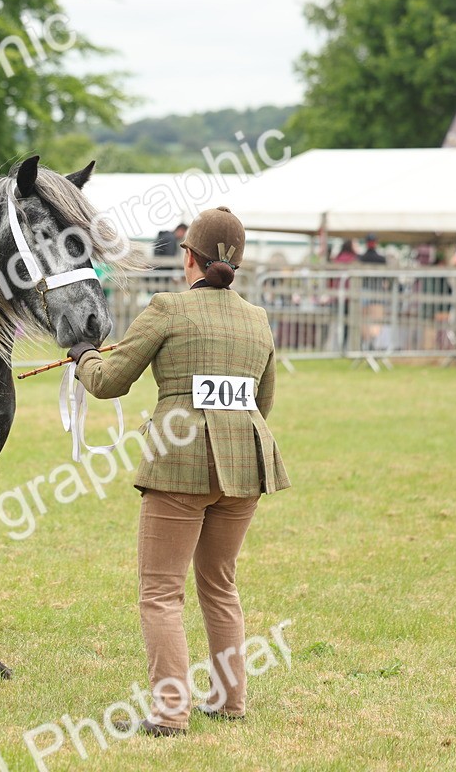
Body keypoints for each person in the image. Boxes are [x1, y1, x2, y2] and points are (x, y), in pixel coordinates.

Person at [68, 206, 291, 737]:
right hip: (246, 465)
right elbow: (263, 401)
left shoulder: (167, 308)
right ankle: (230, 699)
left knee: (161, 593)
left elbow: (108, 381)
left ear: (187, 256)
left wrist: (81, 356)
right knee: (220, 584)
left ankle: (170, 713)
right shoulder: (257, 318)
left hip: (180, 465)